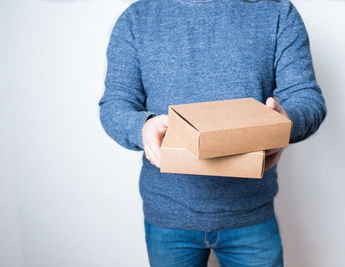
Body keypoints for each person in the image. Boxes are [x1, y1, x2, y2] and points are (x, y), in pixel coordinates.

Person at [98, 0, 327, 265]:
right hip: (168, 216)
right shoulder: (136, 19)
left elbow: (306, 97)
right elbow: (115, 104)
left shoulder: (276, 12)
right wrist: (142, 127)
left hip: (251, 213)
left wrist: (284, 125)